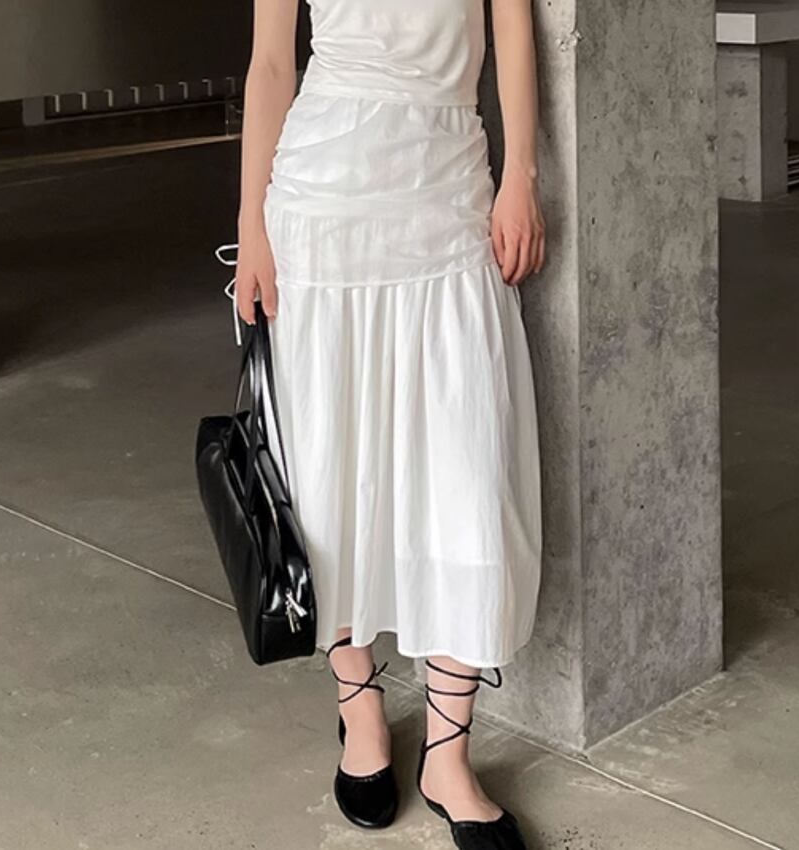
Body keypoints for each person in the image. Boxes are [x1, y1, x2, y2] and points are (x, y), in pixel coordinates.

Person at [233, 1, 544, 847]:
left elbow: (512, 23)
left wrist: (521, 172)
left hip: (448, 193)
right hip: (320, 208)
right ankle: (359, 707)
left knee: (469, 482)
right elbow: (272, 63)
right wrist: (250, 223)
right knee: (327, 481)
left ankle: (448, 755)